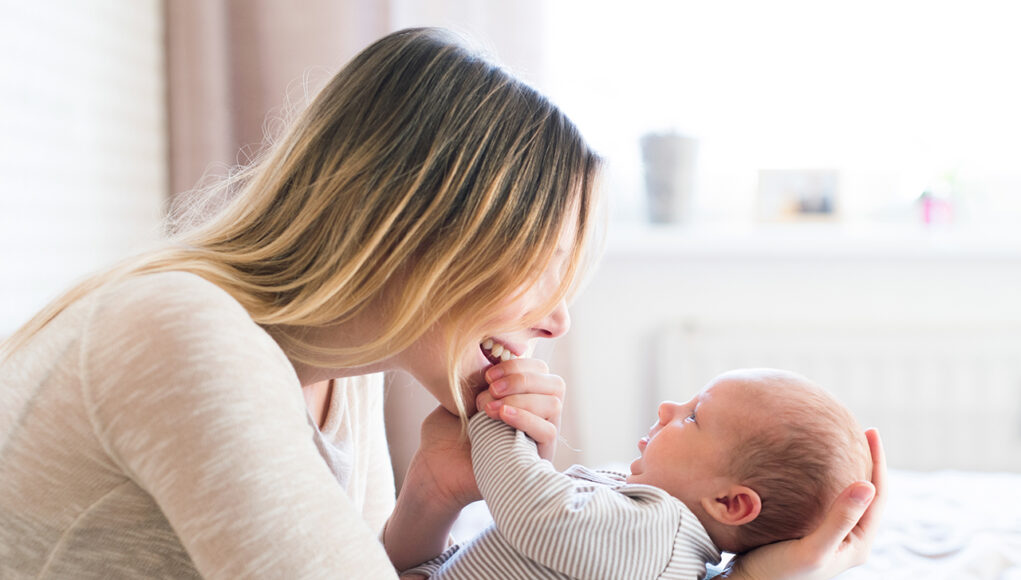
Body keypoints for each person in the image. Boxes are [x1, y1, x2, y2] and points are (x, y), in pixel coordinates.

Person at [0, 27, 885, 579]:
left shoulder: (336, 366)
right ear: (427, 237)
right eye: (542, 270)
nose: (556, 321)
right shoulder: (184, 336)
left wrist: (429, 498)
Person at [399, 369, 874, 579]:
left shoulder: (658, 535)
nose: (669, 407)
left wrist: (496, 421)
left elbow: (535, 512)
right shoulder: (654, 526)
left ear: (730, 504)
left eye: (693, 417)